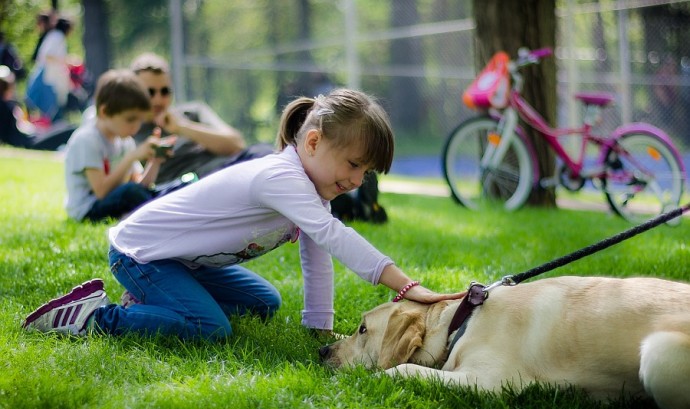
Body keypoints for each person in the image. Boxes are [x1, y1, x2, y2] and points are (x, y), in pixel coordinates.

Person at [22, 88, 465, 340]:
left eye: (365, 172)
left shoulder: (313, 190)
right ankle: (92, 317)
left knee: (264, 303)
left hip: (179, 262)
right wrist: (407, 285)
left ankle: (153, 302)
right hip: (140, 254)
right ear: (312, 142)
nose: (357, 181)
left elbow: (317, 258)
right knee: (209, 328)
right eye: (353, 164)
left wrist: (319, 330)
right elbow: (336, 238)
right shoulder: (280, 177)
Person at [129, 52, 267, 184]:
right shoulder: (129, 134)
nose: (158, 99)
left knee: (265, 152)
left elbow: (236, 144)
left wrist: (182, 127)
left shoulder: (193, 112)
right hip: (192, 185)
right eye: (150, 92)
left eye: (165, 91)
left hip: (230, 166)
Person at [63, 68, 167, 222]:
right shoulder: (87, 140)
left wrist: (155, 161)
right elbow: (101, 192)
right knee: (131, 192)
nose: (136, 127)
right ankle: (161, 208)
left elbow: (140, 185)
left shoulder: (124, 140)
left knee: (156, 189)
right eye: (130, 119)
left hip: (115, 201)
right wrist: (131, 158)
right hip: (88, 210)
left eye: (140, 120)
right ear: (104, 112)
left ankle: (164, 200)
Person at [0, 65, 74, 150]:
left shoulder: (9, 105)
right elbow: (22, 128)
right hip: (30, 142)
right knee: (69, 129)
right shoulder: (8, 106)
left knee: (64, 127)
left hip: (31, 138)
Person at [26, 17, 73, 121]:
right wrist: (66, 60)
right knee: (49, 107)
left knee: (46, 107)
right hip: (47, 76)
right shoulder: (58, 36)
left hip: (47, 75)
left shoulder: (53, 35)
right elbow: (48, 55)